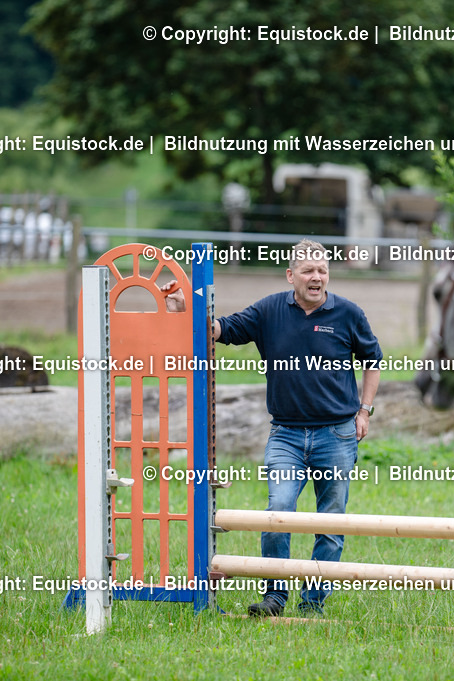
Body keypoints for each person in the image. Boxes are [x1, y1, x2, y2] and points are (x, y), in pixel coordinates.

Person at [163, 238, 382, 615]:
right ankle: (274, 597)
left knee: (329, 522)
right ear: (290, 275)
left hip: (338, 435)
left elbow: (373, 360)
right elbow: (222, 329)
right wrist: (187, 310)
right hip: (287, 435)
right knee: (278, 510)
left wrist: (364, 411)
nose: (317, 277)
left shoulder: (348, 313)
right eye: (308, 270)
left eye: (323, 270)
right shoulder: (268, 311)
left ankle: (313, 603)